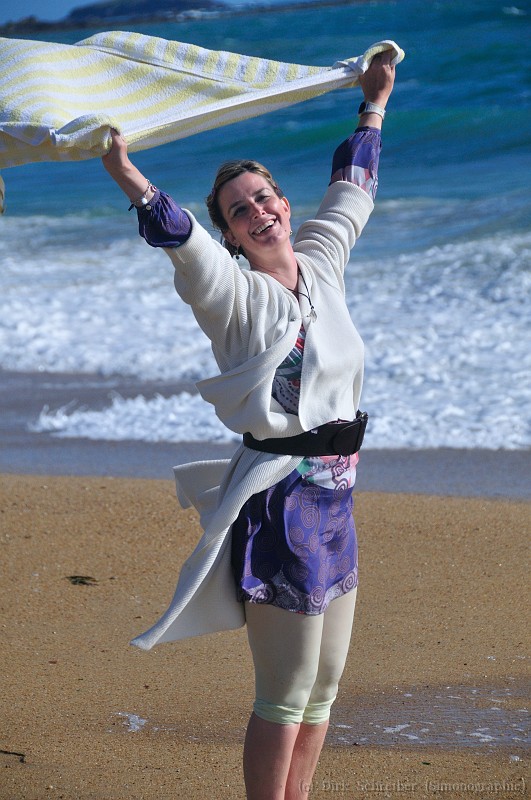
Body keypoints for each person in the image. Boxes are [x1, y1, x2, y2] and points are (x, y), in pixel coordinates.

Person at [102, 50, 395, 800]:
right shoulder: (233, 297)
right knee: (284, 691)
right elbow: (179, 240)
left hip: (337, 500)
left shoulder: (322, 261)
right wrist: (127, 172)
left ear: (283, 203)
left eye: (264, 197)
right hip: (282, 505)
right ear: (230, 233)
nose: (258, 211)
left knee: (325, 686)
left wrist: (373, 103)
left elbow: (353, 187)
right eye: (240, 208)